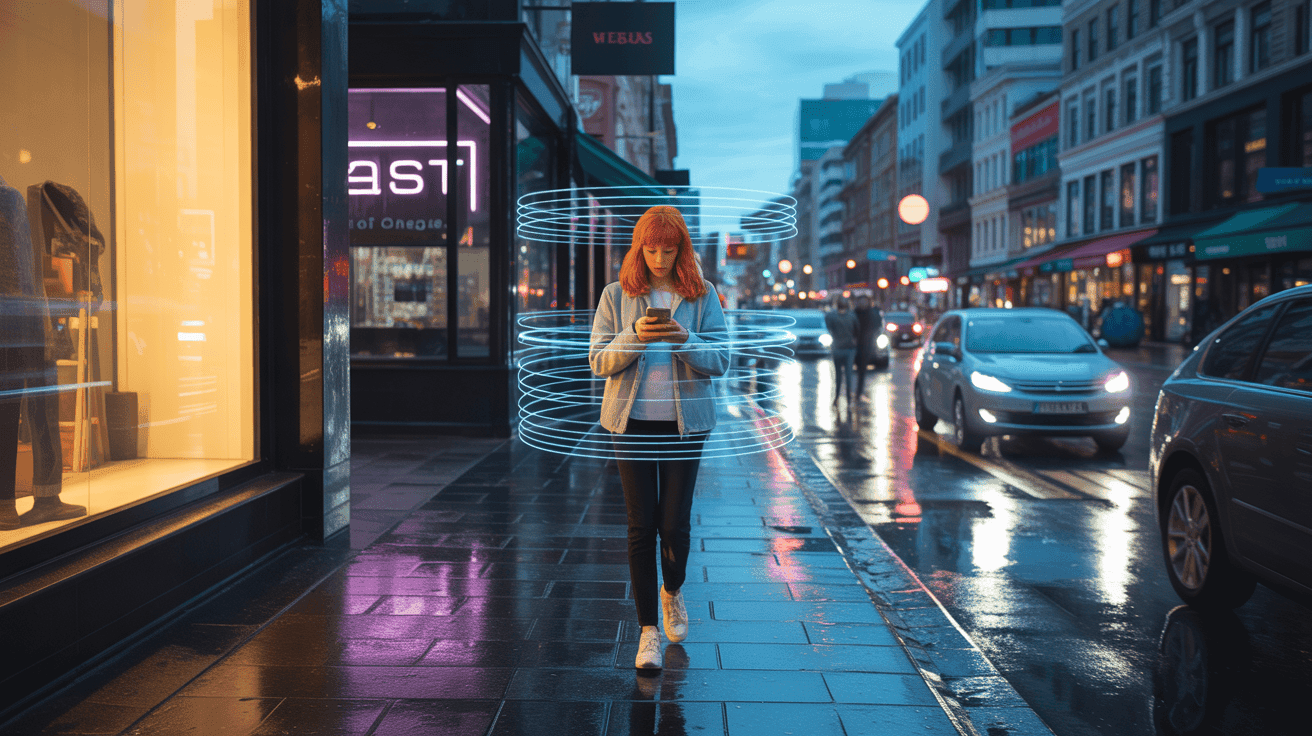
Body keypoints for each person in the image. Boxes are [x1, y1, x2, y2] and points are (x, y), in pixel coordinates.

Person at [589, 205, 729, 670]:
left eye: (669, 251)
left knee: (674, 524)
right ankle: (647, 629)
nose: (660, 260)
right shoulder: (616, 294)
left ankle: (673, 591)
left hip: (685, 425)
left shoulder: (702, 293)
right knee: (639, 526)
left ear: (681, 249)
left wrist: (684, 337)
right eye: (652, 250)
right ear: (639, 248)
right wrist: (635, 335)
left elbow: (721, 360)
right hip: (630, 424)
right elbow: (599, 362)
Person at [824, 297, 859, 407]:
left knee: (838, 375)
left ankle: (837, 397)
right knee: (848, 375)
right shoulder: (852, 316)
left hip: (837, 348)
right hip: (849, 348)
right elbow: (857, 330)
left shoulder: (832, 316)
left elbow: (828, 326)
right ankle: (849, 399)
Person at [853, 295, 881, 400]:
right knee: (851, 371)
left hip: (866, 346)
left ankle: (859, 392)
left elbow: (877, 327)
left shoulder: (872, 314)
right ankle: (851, 392)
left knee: (862, 371)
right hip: (853, 346)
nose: (863, 304)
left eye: (864, 301)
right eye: (861, 301)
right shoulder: (854, 313)